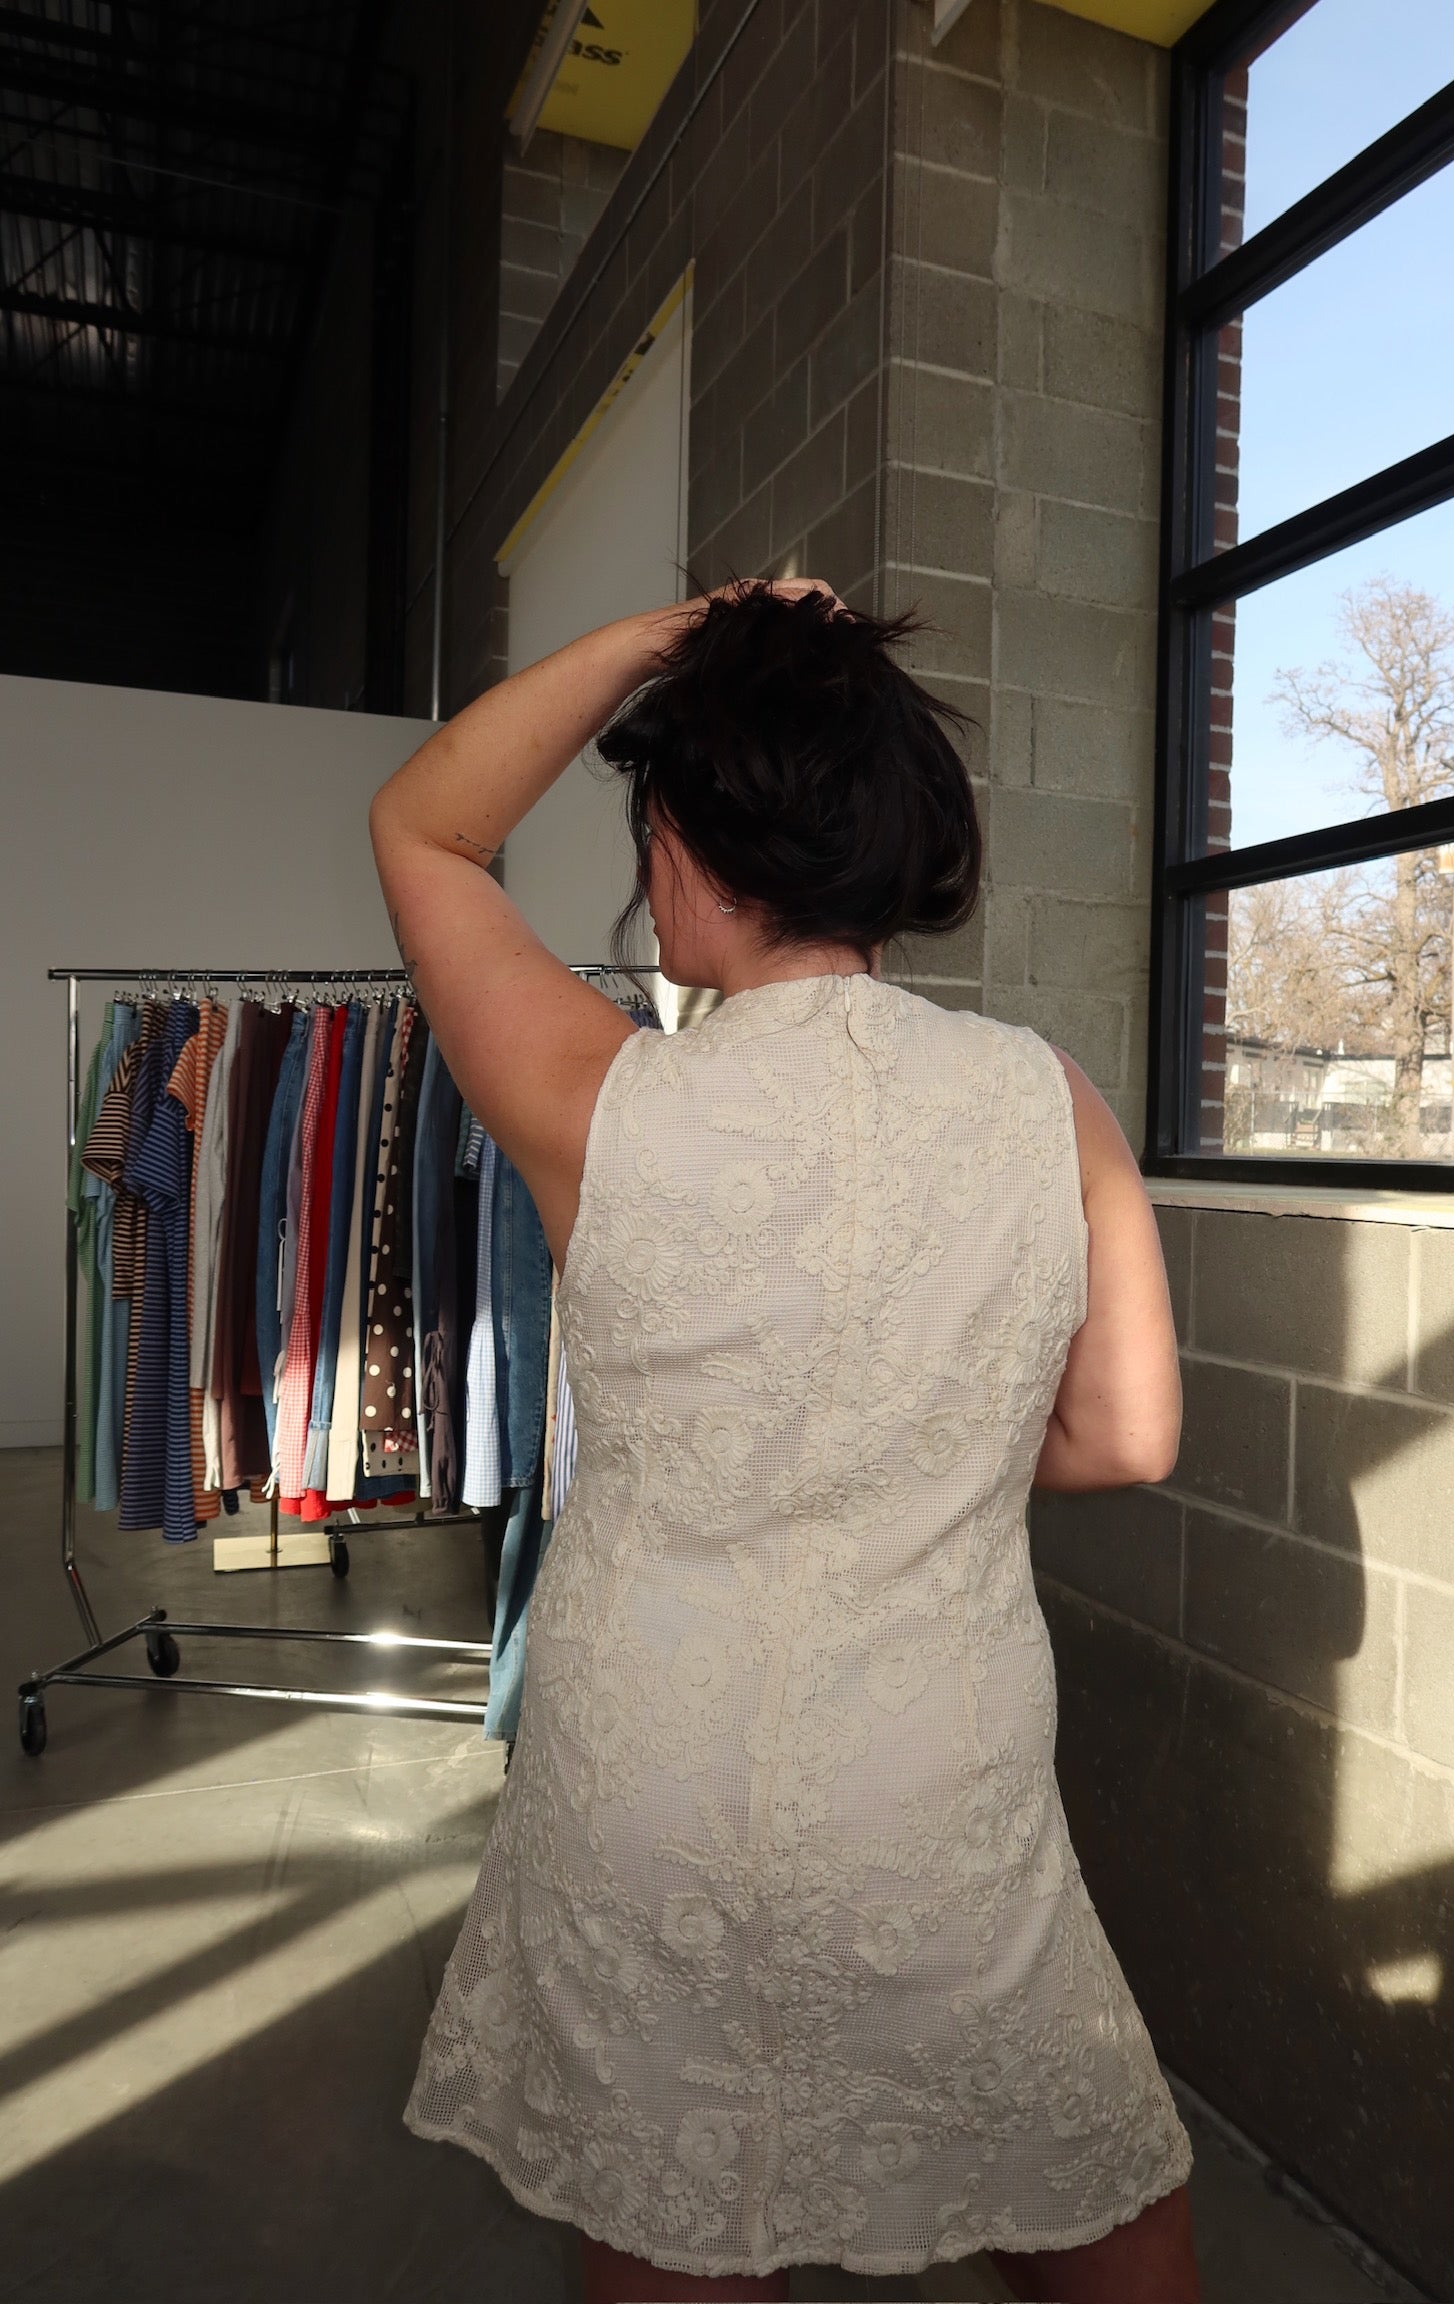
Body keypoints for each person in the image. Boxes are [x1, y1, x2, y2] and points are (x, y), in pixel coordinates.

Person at [371, 581, 1198, 2304]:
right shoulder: (1047, 1097)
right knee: (1081, 2187)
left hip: (646, 1777)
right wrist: (927, 1442)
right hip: (938, 1781)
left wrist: (674, 632)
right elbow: (1127, 1434)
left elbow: (425, 829)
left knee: (680, 2214)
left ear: (682, 837)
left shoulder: (602, 1099)